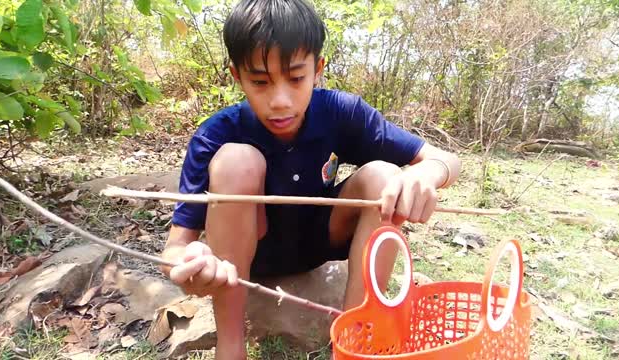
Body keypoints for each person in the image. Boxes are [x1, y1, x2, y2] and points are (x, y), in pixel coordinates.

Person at [160, 0, 461, 358]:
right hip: (249, 258)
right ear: (237, 76)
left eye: (296, 78)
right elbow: (174, 250)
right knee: (237, 160)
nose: (280, 101)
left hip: (320, 240)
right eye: (260, 81)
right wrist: (191, 265)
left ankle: (355, 345)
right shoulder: (215, 135)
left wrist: (425, 173)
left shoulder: (341, 113)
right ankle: (230, 347)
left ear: (317, 69)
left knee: (385, 177)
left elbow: (446, 160)